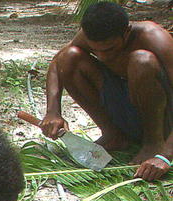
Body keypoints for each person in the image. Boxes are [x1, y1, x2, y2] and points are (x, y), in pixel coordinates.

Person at [41, 1, 173, 181]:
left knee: (141, 61)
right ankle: (114, 135)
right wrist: (53, 111)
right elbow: (57, 65)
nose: (103, 56)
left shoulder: (153, 36)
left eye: (110, 49)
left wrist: (166, 154)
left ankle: (153, 142)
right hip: (128, 109)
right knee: (68, 57)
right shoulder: (89, 34)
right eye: (96, 51)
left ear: (126, 32)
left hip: (163, 117)